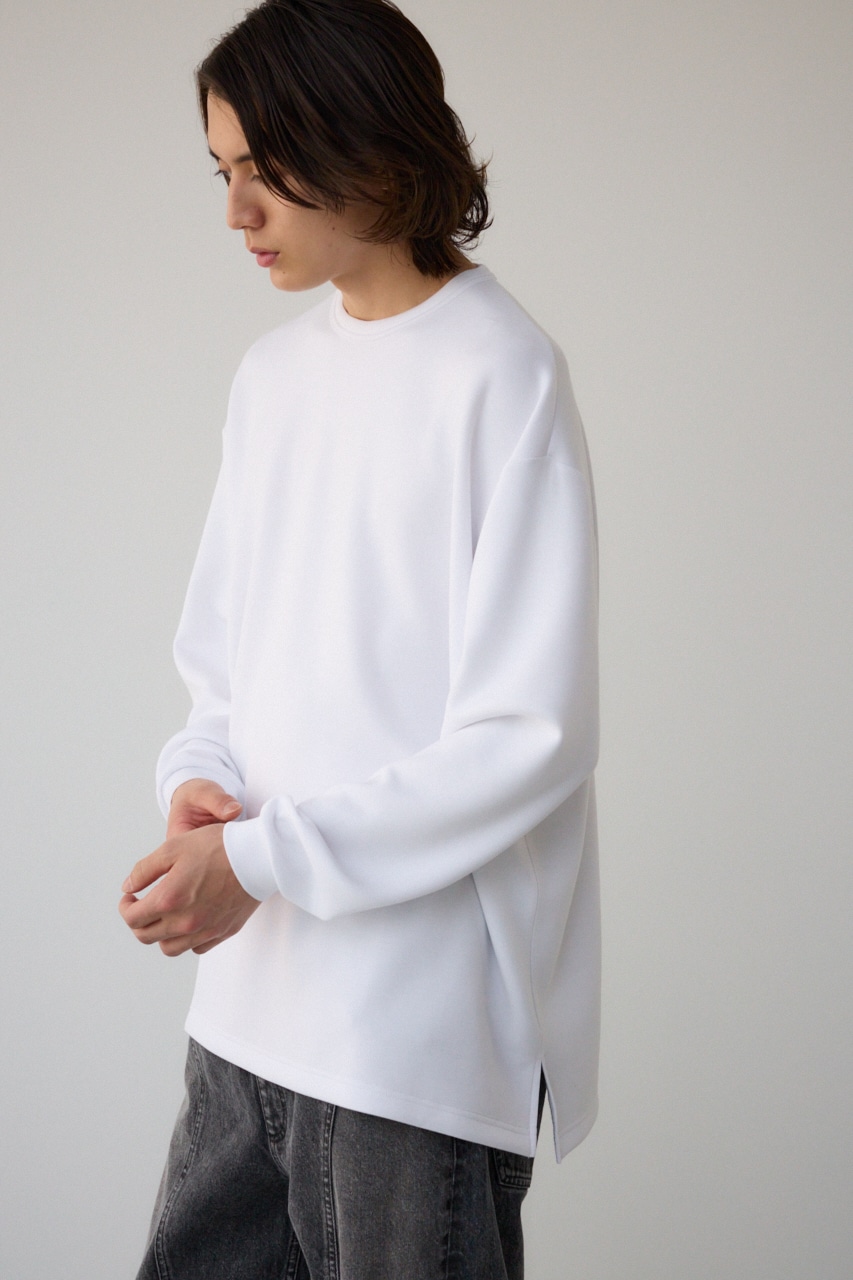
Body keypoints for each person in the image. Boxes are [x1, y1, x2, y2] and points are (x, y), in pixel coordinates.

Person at [119, 1, 600, 1276]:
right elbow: (220, 661)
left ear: (369, 143)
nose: (236, 212)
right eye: (221, 172)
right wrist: (198, 783)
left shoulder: (501, 373)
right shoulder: (272, 379)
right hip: (247, 1009)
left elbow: (528, 738)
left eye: (263, 169)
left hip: (409, 1041)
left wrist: (259, 857)